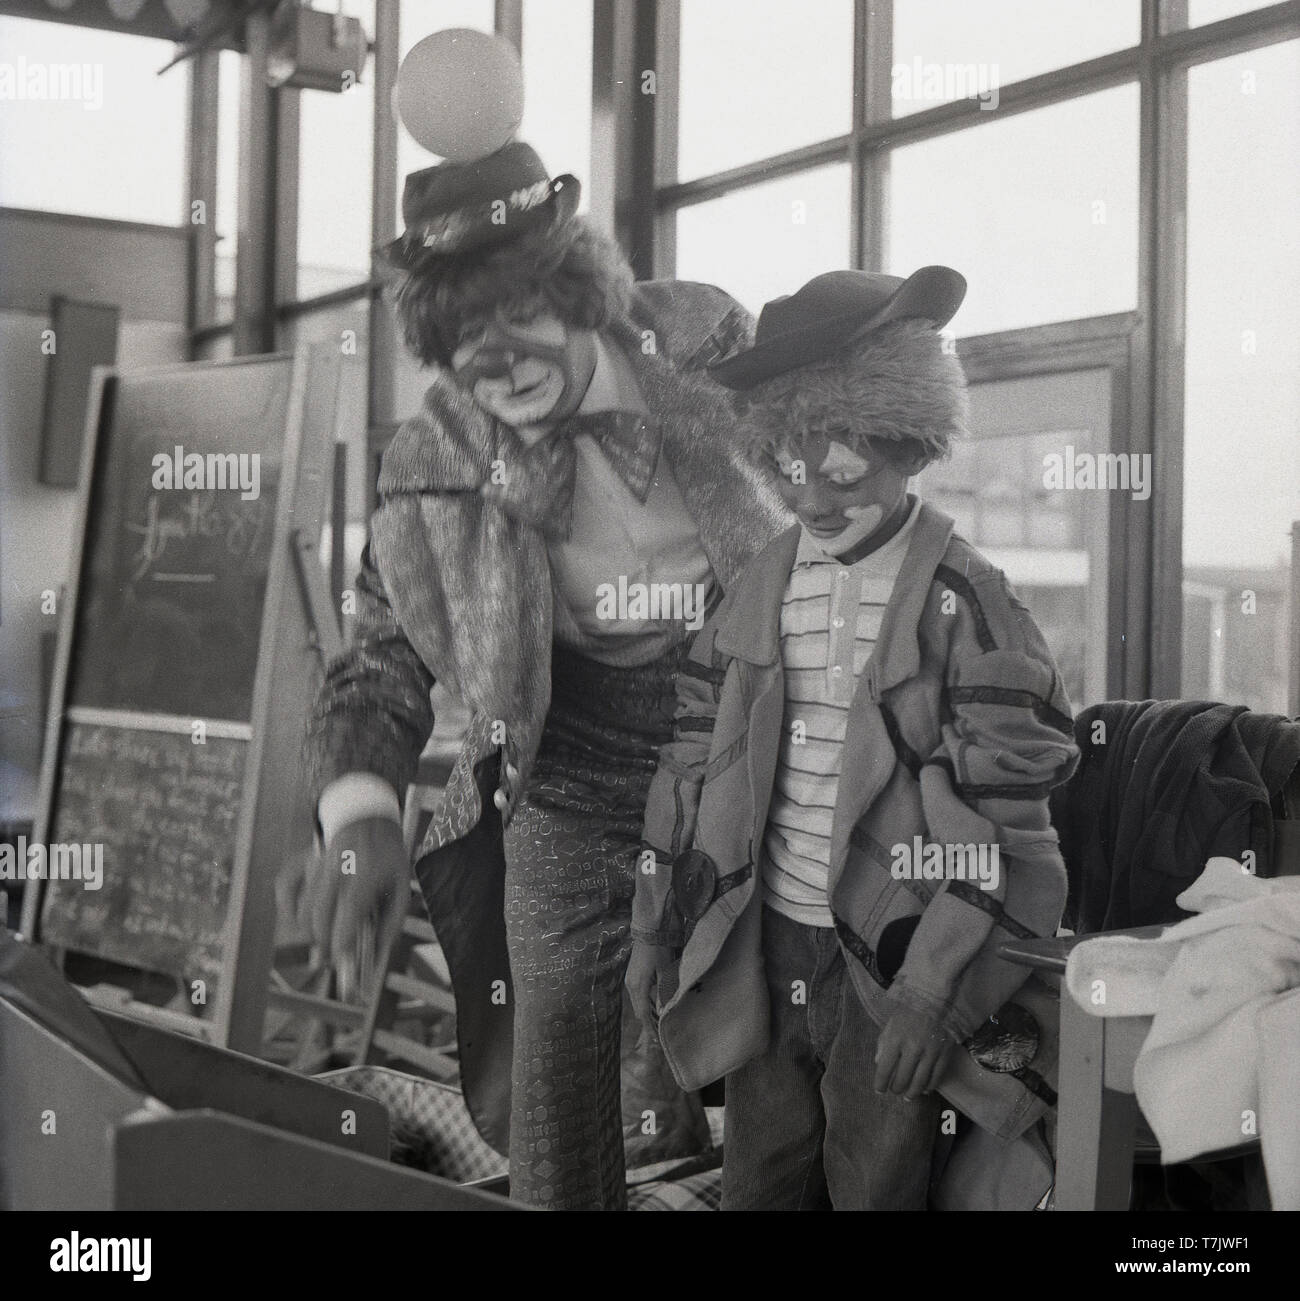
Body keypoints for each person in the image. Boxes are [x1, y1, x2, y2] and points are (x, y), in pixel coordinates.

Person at [304, 139, 789, 1210]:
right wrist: (358, 813)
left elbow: (832, 475)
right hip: (564, 753)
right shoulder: (429, 463)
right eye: (461, 337)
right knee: (558, 1068)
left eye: (516, 313)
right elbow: (376, 659)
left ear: (580, 289)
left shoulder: (709, 340)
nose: (495, 358)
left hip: (750, 730)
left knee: (780, 1033)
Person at [627, 268, 1080, 1210]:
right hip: (765, 945)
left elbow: (1010, 831)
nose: (816, 500)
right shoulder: (758, 583)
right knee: (759, 1179)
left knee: (877, 1186)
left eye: (842, 473)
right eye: (789, 472)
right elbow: (685, 765)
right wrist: (653, 928)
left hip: (894, 960)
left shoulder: (974, 606)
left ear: (908, 444)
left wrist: (932, 993)